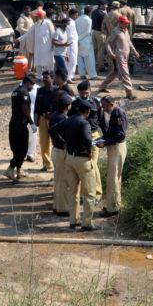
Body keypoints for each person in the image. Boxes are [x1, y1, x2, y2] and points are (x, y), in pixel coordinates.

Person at [62, 100, 98, 231]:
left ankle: (73, 220)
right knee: (89, 192)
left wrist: (64, 143)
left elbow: (54, 130)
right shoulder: (85, 123)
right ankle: (87, 223)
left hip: (69, 158)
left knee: (72, 192)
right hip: (82, 160)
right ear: (87, 112)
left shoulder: (68, 120)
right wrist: (89, 152)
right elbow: (88, 139)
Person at [95, 95, 127, 215]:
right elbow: (112, 132)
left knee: (113, 179)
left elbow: (121, 135)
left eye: (104, 106)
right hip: (114, 147)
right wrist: (102, 139)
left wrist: (105, 142)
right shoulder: (114, 113)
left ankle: (112, 209)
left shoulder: (118, 113)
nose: (103, 109)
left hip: (117, 148)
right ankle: (113, 205)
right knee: (114, 178)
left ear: (111, 104)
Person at [76, 79, 105, 197]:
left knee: (93, 164)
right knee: (83, 166)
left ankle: (97, 192)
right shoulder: (74, 104)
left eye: (86, 93)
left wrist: (105, 139)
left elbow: (102, 121)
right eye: (81, 93)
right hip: (79, 137)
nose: (84, 95)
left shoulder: (96, 103)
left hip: (94, 136)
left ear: (90, 91)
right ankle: (84, 192)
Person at [98, 16, 139, 99]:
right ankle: (129, 93)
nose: (127, 24)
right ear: (120, 23)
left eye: (127, 23)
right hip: (119, 56)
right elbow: (108, 42)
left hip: (125, 56)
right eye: (125, 23)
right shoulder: (115, 31)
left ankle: (102, 87)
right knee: (125, 73)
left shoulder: (125, 30)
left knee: (115, 72)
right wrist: (110, 52)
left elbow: (129, 42)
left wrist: (135, 51)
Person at [4, 75, 35, 181]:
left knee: (16, 149)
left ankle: (18, 171)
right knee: (22, 149)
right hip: (20, 125)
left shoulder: (15, 91)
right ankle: (11, 168)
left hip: (13, 124)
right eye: (32, 84)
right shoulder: (24, 92)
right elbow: (25, 110)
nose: (33, 86)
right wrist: (31, 123)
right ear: (27, 82)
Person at [48, 94, 73, 215]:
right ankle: (62, 209)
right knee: (63, 181)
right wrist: (65, 143)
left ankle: (56, 206)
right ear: (68, 106)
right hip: (61, 151)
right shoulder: (63, 118)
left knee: (58, 180)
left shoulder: (54, 115)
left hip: (55, 151)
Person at [34, 71, 56, 173]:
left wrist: (52, 114)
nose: (44, 79)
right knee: (44, 142)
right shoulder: (40, 90)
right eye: (43, 77)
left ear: (52, 78)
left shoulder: (56, 90)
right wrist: (36, 119)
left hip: (54, 119)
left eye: (46, 77)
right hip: (42, 118)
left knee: (56, 142)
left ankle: (57, 164)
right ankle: (46, 164)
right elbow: (36, 106)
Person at [28, 9, 55, 75]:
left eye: (35, 17)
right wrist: (19, 39)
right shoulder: (35, 25)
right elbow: (28, 33)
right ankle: (39, 76)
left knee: (48, 62)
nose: (34, 18)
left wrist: (53, 45)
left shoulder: (48, 23)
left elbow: (53, 34)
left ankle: (48, 76)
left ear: (40, 17)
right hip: (38, 48)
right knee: (38, 62)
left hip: (47, 47)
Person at [73, 7, 97, 79]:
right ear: (90, 12)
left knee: (80, 58)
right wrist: (80, 38)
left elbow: (75, 30)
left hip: (78, 41)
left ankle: (82, 74)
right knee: (89, 59)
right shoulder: (89, 20)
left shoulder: (77, 19)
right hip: (86, 41)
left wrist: (78, 39)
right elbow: (88, 32)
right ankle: (92, 75)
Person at [91, 1, 109, 72]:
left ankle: (92, 65)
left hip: (94, 32)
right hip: (100, 33)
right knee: (100, 50)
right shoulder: (103, 14)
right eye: (106, 5)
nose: (106, 6)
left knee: (94, 50)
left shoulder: (94, 12)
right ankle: (100, 66)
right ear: (101, 5)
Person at [65, 9, 80, 78]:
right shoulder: (69, 22)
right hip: (71, 43)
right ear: (72, 15)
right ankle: (69, 76)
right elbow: (69, 35)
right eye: (76, 15)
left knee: (73, 60)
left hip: (74, 43)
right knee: (72, 60)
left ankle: (71, 76)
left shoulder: (73, 22)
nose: (77, 16)